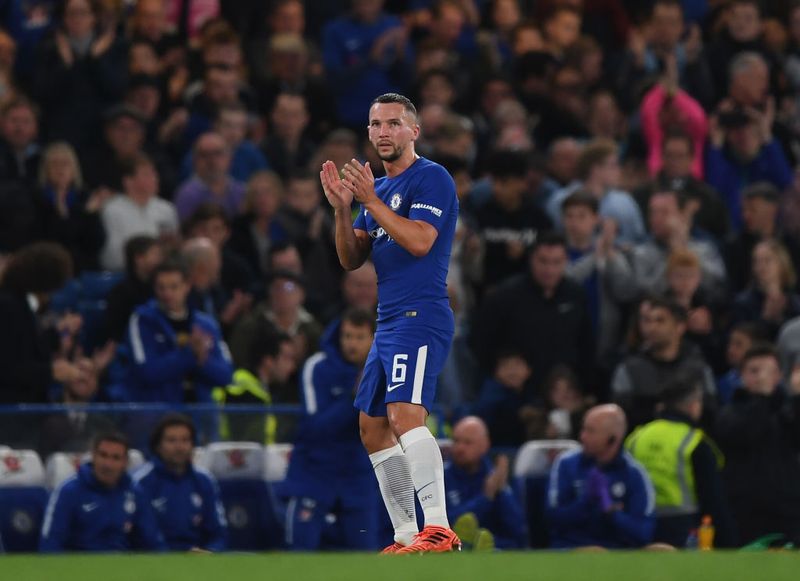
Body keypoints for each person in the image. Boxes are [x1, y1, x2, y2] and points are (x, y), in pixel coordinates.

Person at [319, 93, 460, 553]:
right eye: (376, 123)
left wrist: (369, 201)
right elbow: (351, 258)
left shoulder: (431, 178)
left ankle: (438, 527)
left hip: (421, 315)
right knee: (373, 426)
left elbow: (420, 241)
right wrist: (343, 209)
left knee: (404, 415)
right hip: (389, 323)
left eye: (394, 123)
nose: (383, 131)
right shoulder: (376, 190)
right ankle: (406, 536)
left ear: (413, 131)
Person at [281, 308, 378, 551]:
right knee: (300, 556)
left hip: (357, 476)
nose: (352, 344)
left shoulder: (383, 372)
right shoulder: (318, 367)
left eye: (359, 337)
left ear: (373, 339)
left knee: (365, 559)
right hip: (315, 472)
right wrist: (355, 397)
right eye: (347, 336)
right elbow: (316, 427)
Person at [626, 378, 737, 548]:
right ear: (693, 405)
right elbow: (713, 498)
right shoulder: (694, 441)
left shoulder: (636, 437)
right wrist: (728, 542)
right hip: (682, 529)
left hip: (638, 527)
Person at [717, 345, 800, 545]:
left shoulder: (788, 411)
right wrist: (762, 398)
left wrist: (798, 399)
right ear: (742, 376)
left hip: (789, 511)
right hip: (746, 512)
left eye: (769, 372)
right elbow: (747, 434)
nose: (761, 377)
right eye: (754, 371)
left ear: (779, 376)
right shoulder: (729, 413)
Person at [123, 259, 233, 405]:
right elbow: (147, 372)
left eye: (174, 287)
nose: (167, 294)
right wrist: (190, 355)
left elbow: (226, 376)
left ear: (187, 286)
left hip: (201, 412)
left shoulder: (207, 325)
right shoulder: (143, 321)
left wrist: (203, 361)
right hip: (158, 412)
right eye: (161, 287)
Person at [546, 404, 656, 549]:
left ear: (612, 439)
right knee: (593, 551)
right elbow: (552, 519)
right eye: (583, 429)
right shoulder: (566, 464)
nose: (582, 437)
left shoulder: (634, 473)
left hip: (617, 552)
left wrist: (611, 512)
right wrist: (586, 502)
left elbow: (643, 532)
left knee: (663, 550)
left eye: (591, 431)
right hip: (572, 548)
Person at [39, 432, 166, 552]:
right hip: (79, 564)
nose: (108, 464)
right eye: (103, 455)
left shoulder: (134, 492)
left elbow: (152, 541)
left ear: (125, 463)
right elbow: (50, 544)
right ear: (93, 456)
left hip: (122, 564)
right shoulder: (68, 491)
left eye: (116, 458)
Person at [611, 297, 716, 430]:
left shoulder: (698, 369)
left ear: (680, 327)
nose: (652, 328)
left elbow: (710, 413)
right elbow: (620, 416)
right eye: (648, 321)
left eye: (660, 321)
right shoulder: (629, 368)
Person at [133, 414, 227, 552]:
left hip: (198, 558)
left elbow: (218, 533)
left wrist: (210, 552)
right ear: (158, 446)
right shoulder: (142, 482)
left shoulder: (204, 480)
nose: (179, 447)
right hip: (156, 559)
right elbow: (147, 536)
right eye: (171, 440)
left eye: (185, 440)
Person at [445, 416, 527, 550]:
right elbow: (445, 524)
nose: (459, 448)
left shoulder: (496, 477)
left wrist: (501, 491)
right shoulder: (440, 477)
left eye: (467, 442)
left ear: (485, 445)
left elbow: (519, 531)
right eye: (456, 441)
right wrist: (486, 498)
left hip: (495, 549)